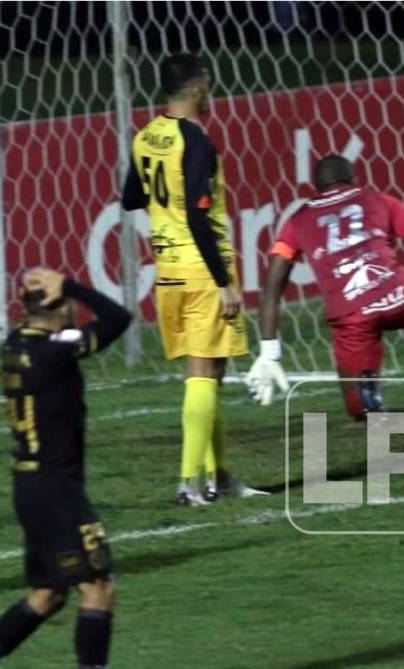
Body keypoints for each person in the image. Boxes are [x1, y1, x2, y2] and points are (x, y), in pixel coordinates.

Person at [0, 267, 130, 669]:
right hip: (57, 491)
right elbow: (119, 319)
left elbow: (66, 332)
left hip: (29, 486)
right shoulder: (55, 353)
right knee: (98, 588)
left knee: (48, 593)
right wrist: (73, 286)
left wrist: (51, 295)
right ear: (59, 306)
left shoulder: (16, 345)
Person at [121, 53, 265, 505]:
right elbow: (200, 218)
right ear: (199, 87)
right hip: (202, 271)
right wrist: (225, 282)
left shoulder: (146, 136)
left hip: (167, 270)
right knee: (203, 372)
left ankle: (218, 476)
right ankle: (188, 482)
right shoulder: (197, 141)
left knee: (212, 373)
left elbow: (129, 197)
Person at [247, 154, 404, 418]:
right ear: (355, 180)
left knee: (357, 410)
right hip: (397, 294)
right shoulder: (377, 199)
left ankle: (368, 393)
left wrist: (269, 353)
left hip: (352, 311)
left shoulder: (297, 221)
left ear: (317, 189)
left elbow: (270, 292)